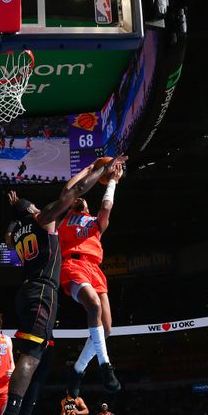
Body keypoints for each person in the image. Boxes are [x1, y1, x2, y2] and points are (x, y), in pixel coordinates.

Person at [0, 155, 128, 415]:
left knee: (45, 360)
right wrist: (100, 170)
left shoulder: (20, 231)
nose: (43, 207)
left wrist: (16, 209)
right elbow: (72, 194)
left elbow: (10, 233)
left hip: (37, 290)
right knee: (33, 354)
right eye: (37, 207)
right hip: (43, 290)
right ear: (35, 212)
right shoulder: (47, 220)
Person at [61, 164, 125, 397]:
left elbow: (106, 207)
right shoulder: (64, 217)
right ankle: (105, 366)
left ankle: (77, 371)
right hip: (73, 265)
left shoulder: (96, 223)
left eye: (85, 201)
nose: (82, 201)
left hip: (94, 270)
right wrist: (90, 169)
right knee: (94, 305)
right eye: (79, 199)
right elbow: (69, 189)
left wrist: (112, 181)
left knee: (106, 329)